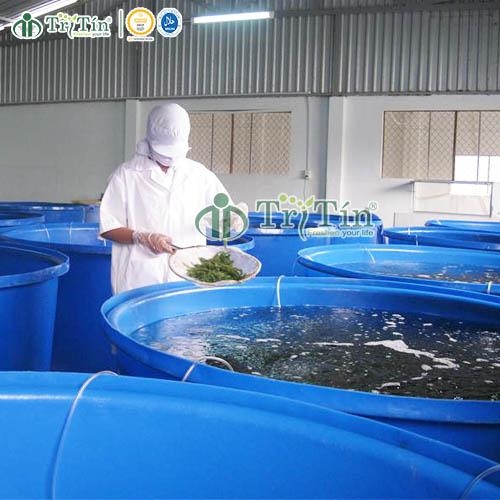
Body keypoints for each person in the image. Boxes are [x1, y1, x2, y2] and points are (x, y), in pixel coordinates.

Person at [100, 103, 245, 294]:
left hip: (187, 278)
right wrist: (142, 237)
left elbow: (221, 218)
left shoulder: (199, 175)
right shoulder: (127, 175)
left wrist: (234, 218)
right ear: (150, 139)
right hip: (138, 281)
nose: (169, 158)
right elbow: (108, 227)